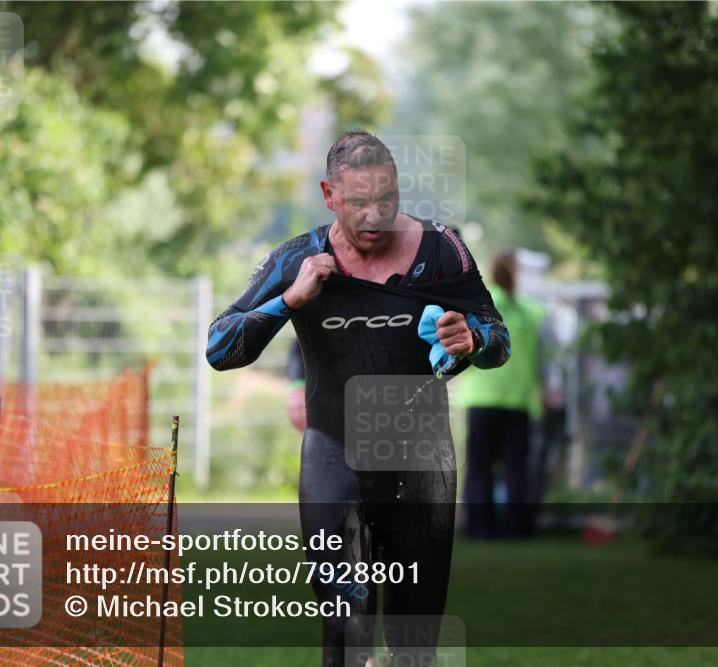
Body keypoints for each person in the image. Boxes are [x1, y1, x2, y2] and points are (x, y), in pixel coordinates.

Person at [207, 130, 510, 667]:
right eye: (357, 203)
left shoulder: (443, 249)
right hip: (333, 463)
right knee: (345, 641)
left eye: (386, 200)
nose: (373, 217)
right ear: (330, 195)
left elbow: (497, 341)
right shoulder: (298, 258)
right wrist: (290, 299)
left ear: (398, 189)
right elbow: (219, 348)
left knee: (415, 650)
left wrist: (476, 338)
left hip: (422, 466)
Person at [458, 250, 546, 539]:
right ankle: (518, 528)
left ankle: (480, 528)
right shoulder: (531, 312)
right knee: (516, 468)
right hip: (519, 400)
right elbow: (539, 360)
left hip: (482, 397)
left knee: (481, 467)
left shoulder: (478, 306)